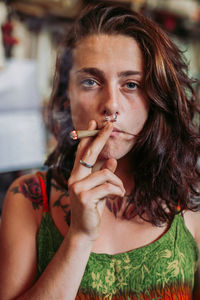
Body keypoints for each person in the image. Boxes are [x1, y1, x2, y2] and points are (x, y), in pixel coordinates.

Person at [0, 3, 200, 299]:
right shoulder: (28, 199)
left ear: (156, 98)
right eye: (90, 82)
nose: (112, 106)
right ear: (66, 97)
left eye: (131, 84)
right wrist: (79, 236)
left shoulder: (190, 199)